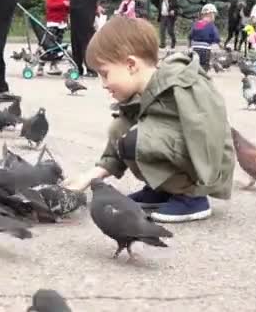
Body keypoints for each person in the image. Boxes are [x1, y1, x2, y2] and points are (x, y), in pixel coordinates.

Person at [64, 16, 234, 222]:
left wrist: (208, 179)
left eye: (105, 73)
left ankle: (191, 198)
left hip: (204, 166)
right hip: (184, 153)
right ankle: (163, 190)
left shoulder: (181, 84)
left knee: (137, 139)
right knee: (121, 129)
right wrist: (88, 177)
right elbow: (118, 143)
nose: (103, 84)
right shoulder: (141, 94)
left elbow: (210, 129)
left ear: (130, 65)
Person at [69, 0, 103, 78]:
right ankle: (84, 67)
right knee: (81, 35)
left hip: (80, 0)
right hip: (82, 0)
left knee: (80, 35)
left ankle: (84, 66)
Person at [37, 0, 70, 77]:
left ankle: (54, 65)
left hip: (62, 23)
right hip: (53, 23)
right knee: (46, 44)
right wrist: (63, 4)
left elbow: (66, 9)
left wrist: (68, 12)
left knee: (57, 46)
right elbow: (50, 5)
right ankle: (40, 65)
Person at [189, 4, 221, 72]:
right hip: (205, 50)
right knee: (204, 68)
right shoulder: (211, 26)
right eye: (214, 15)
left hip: (195, 48)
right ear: (210, 14)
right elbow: (216, 38)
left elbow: (191, 35)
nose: (214, 17)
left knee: (195, 67)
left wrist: (190, 46)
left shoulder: (199, 24)